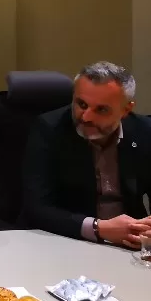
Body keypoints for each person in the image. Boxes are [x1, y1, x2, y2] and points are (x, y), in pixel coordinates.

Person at [23, 61, 151, 247]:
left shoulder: (145, 131)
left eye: (101, 109)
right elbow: (37, 208)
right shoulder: (49, 129)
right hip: (69, 241)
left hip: (131, 243)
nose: (86, 117)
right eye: (81, 104)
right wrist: (98, 228)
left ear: (126, 110)